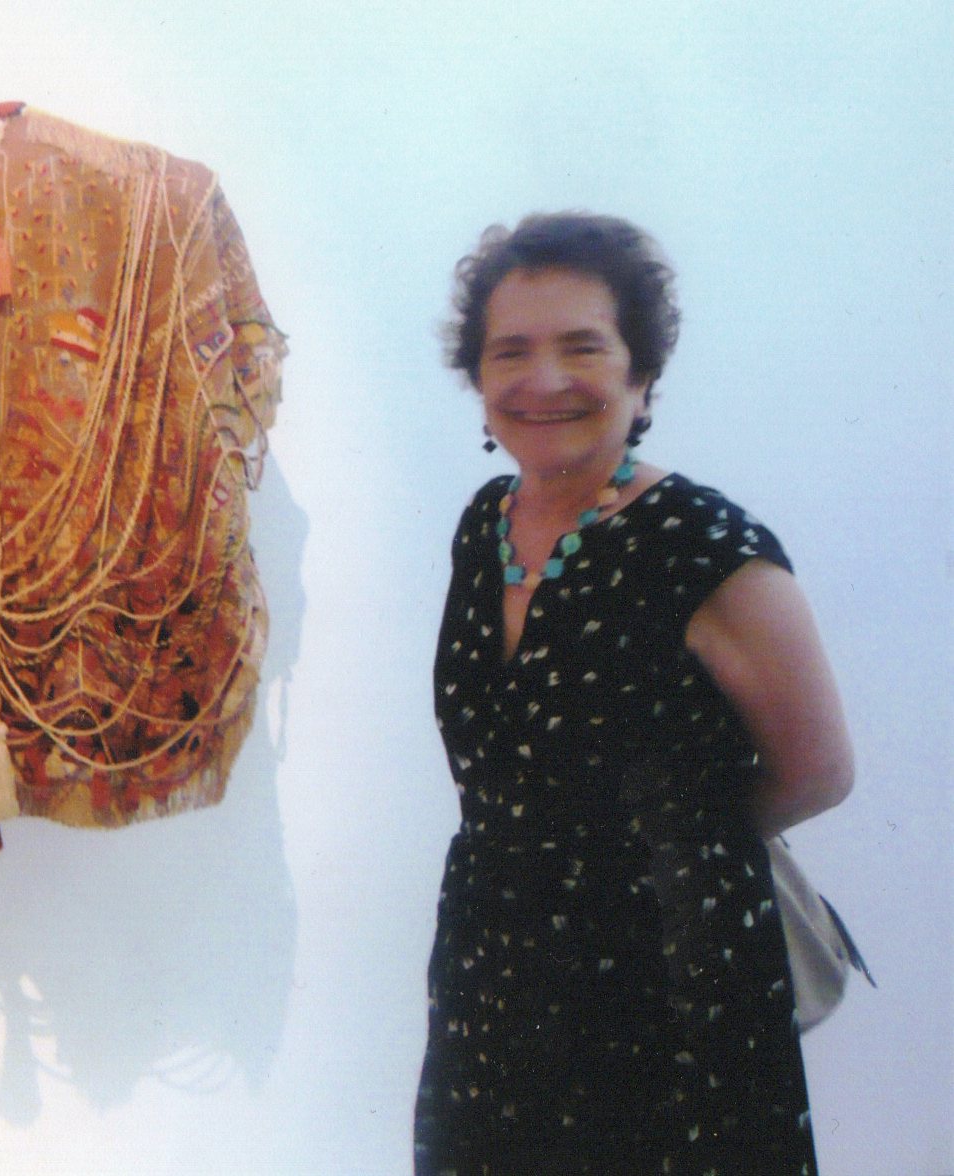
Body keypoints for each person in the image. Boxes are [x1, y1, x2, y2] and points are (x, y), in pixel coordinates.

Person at [414, 213, 854, 1174]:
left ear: (641, 375)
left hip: (667, 988)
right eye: (510, 351)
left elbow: (818, 773)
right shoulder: (484, 524)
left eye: (583, 346)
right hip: (496, 966)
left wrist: (657, 843)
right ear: (479, 380)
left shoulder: (704, 546)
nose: (543, 380)